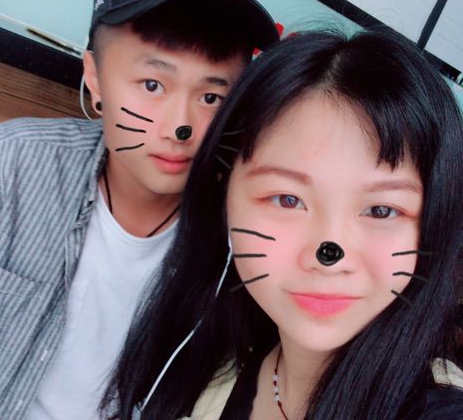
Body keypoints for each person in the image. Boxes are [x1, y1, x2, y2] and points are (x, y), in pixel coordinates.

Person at [0, 0, 278, 418]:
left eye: (212, 97)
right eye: (153, 84)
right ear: (95, 77)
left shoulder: (236, 240)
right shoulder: (13, 162)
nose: (180, 127)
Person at [105, 28, 463, 419]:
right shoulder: (206, 354)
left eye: (381, 210)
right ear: (224, 198)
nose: (330, 254)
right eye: (288, 200)